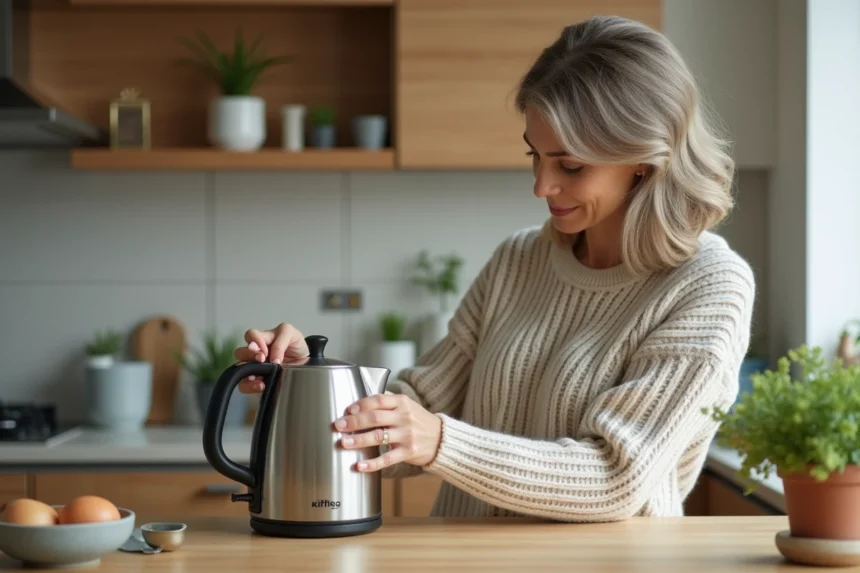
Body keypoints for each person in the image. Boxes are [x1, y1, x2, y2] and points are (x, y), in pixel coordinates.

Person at [234, 14, 755, 522]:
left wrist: (440, 441)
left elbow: (616, 477)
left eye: (570, 165)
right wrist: (311, 384)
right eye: (535, 156)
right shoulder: (519, 259)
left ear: (644, 157)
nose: (542, 186)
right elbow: (419, 404)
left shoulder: (708, 285)